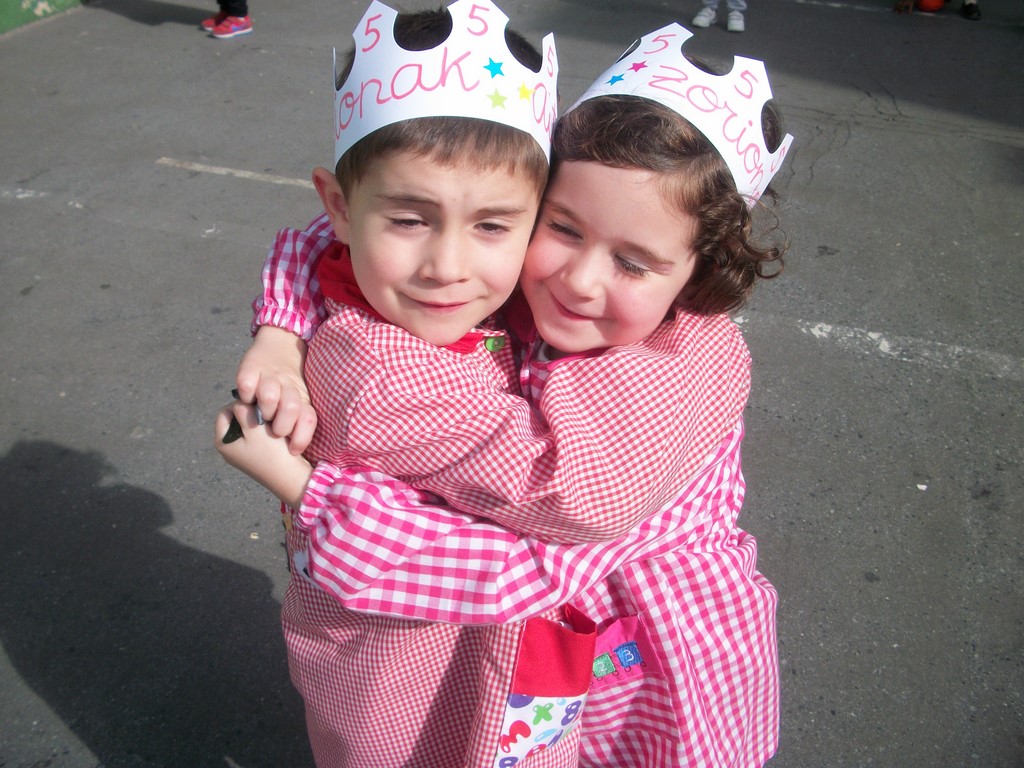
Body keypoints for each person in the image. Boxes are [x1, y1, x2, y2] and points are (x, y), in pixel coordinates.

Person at [220, 20, 793, 767]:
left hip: (644, 658)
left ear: (698, 272)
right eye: (564, 228)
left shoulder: (681, 361)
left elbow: (562, 519)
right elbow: (343, 225)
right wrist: (279, 330)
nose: (579, 281)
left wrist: (307, 487)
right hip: (455, 659)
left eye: (633, 262)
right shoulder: (387, 360)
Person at [216, 2, 587, 766]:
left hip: (494, 656)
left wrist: (278, 332)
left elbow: (308, 241)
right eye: (411, 221)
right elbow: (535, 522)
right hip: (389, 663)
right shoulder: (375, 376)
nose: (448, 267)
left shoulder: (353, 270)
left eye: (493, 225)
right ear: (340, 205)